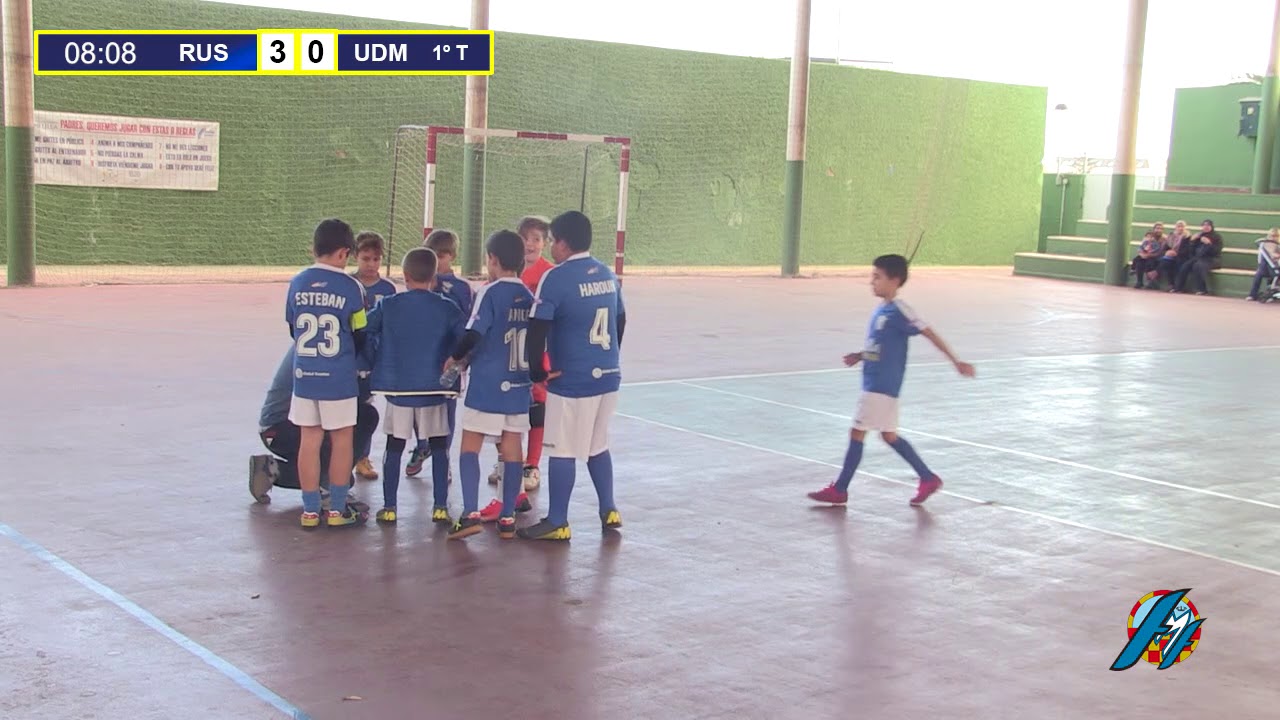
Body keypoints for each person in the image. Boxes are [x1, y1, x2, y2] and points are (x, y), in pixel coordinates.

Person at [807, 254, 975, 508]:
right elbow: (881, 346)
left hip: (880, 386)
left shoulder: (900, 310)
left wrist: (956, 361)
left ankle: (840, 490)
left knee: (858, 431)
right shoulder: (882, 310)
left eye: (877, 277)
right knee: (889, 436)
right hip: (877, 383)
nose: (871, 282)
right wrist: (861, 355)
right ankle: (927, 478)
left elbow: (928, 332)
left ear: (895, 280)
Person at [518, 211, 627, 541]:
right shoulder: (607, 274)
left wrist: (538, 372)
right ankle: (609, 509)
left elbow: (537, 330)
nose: (550, 247)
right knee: (597, 444)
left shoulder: (557, 278)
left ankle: (557, 521)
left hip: (571, 380)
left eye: (551, 241)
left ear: (563, 243)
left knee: (562, 449)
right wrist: (609, 357)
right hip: (608, 375)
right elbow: (620, 320)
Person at [444, 230, 537, 540]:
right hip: (519, 383)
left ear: (493, 260)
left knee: (469, 445)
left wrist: (455, 358)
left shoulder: (490, 292)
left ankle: (469, 513)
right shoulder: (528, 295)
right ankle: (508, 516)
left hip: (488, 382)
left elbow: (474, 333)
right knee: (512, 449)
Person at [363, 247, 464, 525]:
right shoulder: (448, 307)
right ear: (433, 277)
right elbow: (464, 340)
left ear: (405, 276)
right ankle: (440, 506)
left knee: (394, 446)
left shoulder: (389, 305)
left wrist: (374, 357)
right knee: (440, 446)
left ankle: (390, 507)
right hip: (435, 389)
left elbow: (365, 328)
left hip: (399, 390)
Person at [284, 218, 369, 529]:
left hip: (305, 376)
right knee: (342, 440)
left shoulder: (297, 282)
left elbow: (293, 326)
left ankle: (308, 511)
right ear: (344, 252)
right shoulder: (352, 287)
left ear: (315, 248)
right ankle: (335, 510)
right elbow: (361, 331)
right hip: (339, 378)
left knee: (309, 440)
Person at [250, 346, 376, 514]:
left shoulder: (316, 332)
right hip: (286, 426)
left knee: (343, 476)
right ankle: (329, 495)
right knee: (363, 420)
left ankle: (273, 469)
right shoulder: (348, 347)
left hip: (275, 426)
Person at [406, 229, 474, 477]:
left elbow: (469, 325)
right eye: (430, 254)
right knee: (416, 404)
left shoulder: (462, 288)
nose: (435, 260)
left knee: (447, 408)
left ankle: (442, 458)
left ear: (451, 256)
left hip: (450, 357)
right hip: (422, 356)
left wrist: (463, 358)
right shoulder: (421, 281)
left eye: (439, 255)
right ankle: (422, 445)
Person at [351, 231, 397, 481]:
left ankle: (362, 456)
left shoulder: (388, 288)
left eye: (376, 259)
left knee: (367, 405)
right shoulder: (348, 284)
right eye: (366, 258)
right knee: (350, 406)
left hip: (375, 356)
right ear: (355, 257)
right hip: (352, 356)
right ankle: (344, 455)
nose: (371, 265)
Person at [1173, 219, 1224, 295]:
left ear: (1211, 227)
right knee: (1185, 266)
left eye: (1208, 225)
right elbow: (1191, 251)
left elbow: (1217, 251)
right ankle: (1178, 288)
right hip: (1198, 258)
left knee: (1198, 266)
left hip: (1212, 259)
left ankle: (1203, 290)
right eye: (1204, 225)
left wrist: (1209, 243)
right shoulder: (1199, 236)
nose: (1206, 227)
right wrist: (1192, 241)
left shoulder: (1217, 237)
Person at [1247, 227, 1280, 301]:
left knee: (1274, 271)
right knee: (1260, 272)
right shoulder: (1265, 244)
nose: (1274, 238)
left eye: (1276, 236)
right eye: (1272, 235)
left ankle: (1272, 292)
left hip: (1276, 267)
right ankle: (1253, 294)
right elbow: (1272, 255)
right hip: (1265, 267)